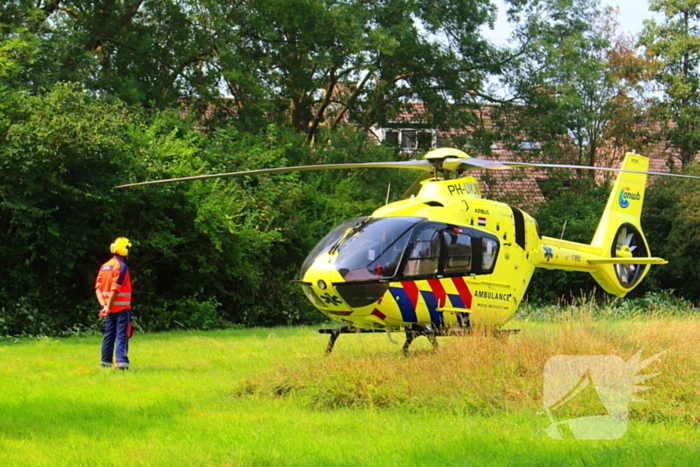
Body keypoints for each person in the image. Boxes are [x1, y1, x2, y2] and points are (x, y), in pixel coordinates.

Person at [95, 237, 133, 370]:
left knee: (109, 335)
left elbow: (98, 288)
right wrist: (109, 307)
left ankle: (105, 363)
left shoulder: (104, 266)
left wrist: (104, 307)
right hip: (121, 309)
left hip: (108, 309)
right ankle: (121, 363)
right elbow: (115, 289)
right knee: (122, 335)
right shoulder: (121, 267)